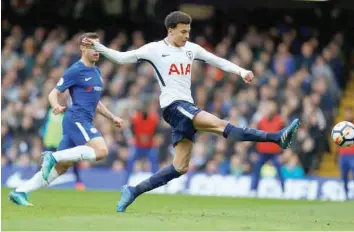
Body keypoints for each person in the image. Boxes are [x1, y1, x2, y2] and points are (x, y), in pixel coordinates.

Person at [83, 11, 300, 212]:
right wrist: (99, 47)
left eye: (189, 31)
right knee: (220, 125)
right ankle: (276, 138)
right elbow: (122, 58)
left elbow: (217, 61)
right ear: (170, 30)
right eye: (183, 31)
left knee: (180, 167)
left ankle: (133, 190)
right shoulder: (154, 49)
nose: (187, 35)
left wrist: (241, 71)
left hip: (185, 107)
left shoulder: (191, 49)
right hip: (173, 106)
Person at [8, 32, 123, 206]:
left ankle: (20, 192)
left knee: (60, 168)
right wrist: (55, 105)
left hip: (82, 121)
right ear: (82, 48)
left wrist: (112, 116)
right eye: (93, 46)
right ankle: (53, 156)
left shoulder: (97, 71)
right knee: (102, 151)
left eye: (99, 46)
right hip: (76, 119)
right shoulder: (75, 70)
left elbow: (95, 102)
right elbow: (53, 93)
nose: (97, 50)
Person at [250, 100, 285, 196]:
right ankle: (253, 190)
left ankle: (283, 190)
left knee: (279, 171)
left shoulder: (280, 121)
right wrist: (254, 151)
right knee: (256, 170)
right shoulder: (261, 122)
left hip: (275, 153)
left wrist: (283, 153)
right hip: (262, 152)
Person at [338, 107, 354, 200]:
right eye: (346, 113)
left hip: (352, 154)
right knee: (344, 175)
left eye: (349, 113)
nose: (348, 115)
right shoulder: (340, 127)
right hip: (343, 155)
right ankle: (346, 193)